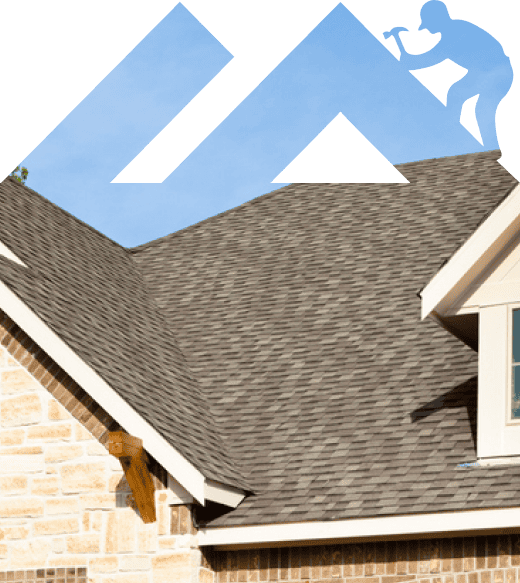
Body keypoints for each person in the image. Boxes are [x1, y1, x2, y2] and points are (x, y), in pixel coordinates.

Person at [398, 0, 514, 147]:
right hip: (482, 73)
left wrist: (400, 46)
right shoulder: (455, 28)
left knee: (483, 108)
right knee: (455, 96)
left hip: (497, 74)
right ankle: (465, 141)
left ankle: (491, 149)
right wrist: (400, 45)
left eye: (428, 24)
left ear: (437, 19)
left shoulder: (455, 32)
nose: (426, 29)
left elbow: (422, 62)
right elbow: (421, 61)